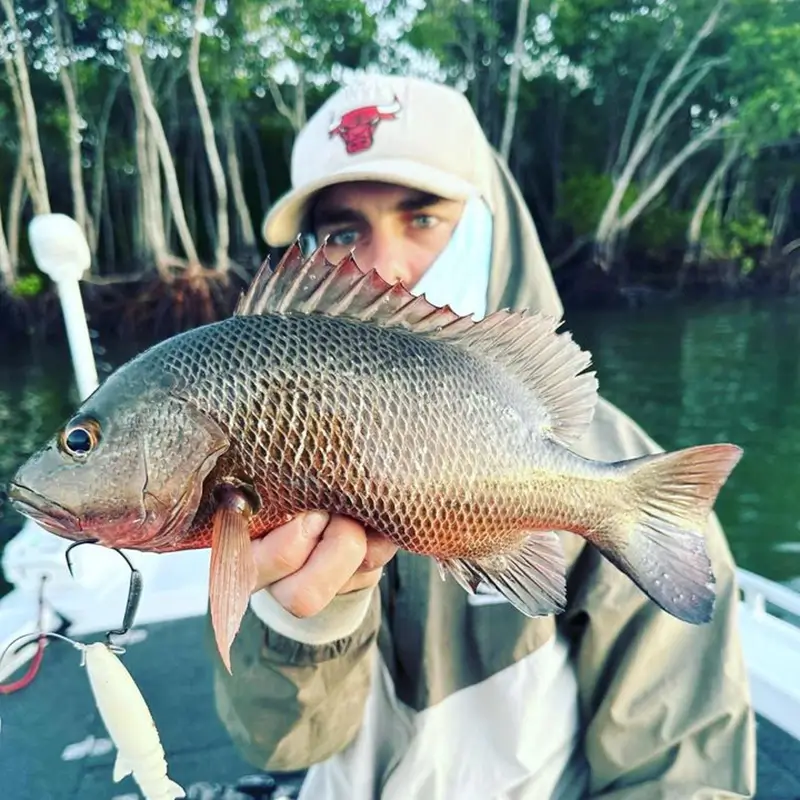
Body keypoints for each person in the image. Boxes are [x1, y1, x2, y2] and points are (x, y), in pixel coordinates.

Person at [208, 74, 756, 799]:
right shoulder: (265, 446)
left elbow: (682, 775)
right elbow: (277, 745)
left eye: (424, 219)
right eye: (343, 232)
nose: (383, 266)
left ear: (493, 226)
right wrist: (303, 623)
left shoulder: (606, 462)